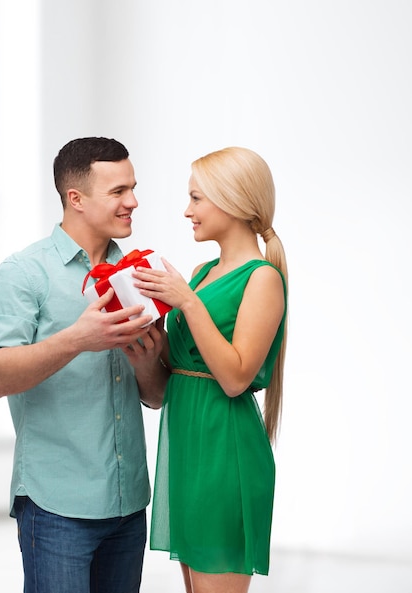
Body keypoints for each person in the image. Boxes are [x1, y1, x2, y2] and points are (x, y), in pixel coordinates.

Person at [0, 137, 166, 593]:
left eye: (133, 188)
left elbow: (155, 396)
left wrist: (148, 363)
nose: (133, 202)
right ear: (75, 199)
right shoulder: (22, 274)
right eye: (118, 191)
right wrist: (79, 339)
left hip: (128, 502)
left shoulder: (139, 275)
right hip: (57, 507)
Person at [129, 147, 288, 593]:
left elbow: (236, 378)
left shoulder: (262, 279)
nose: (187, 211)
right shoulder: (199, 274)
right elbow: (172, 381)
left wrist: (186, 302)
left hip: (224, 450)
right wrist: (149, 350)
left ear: (233, 201)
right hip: (185, 448)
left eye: (197, 198)